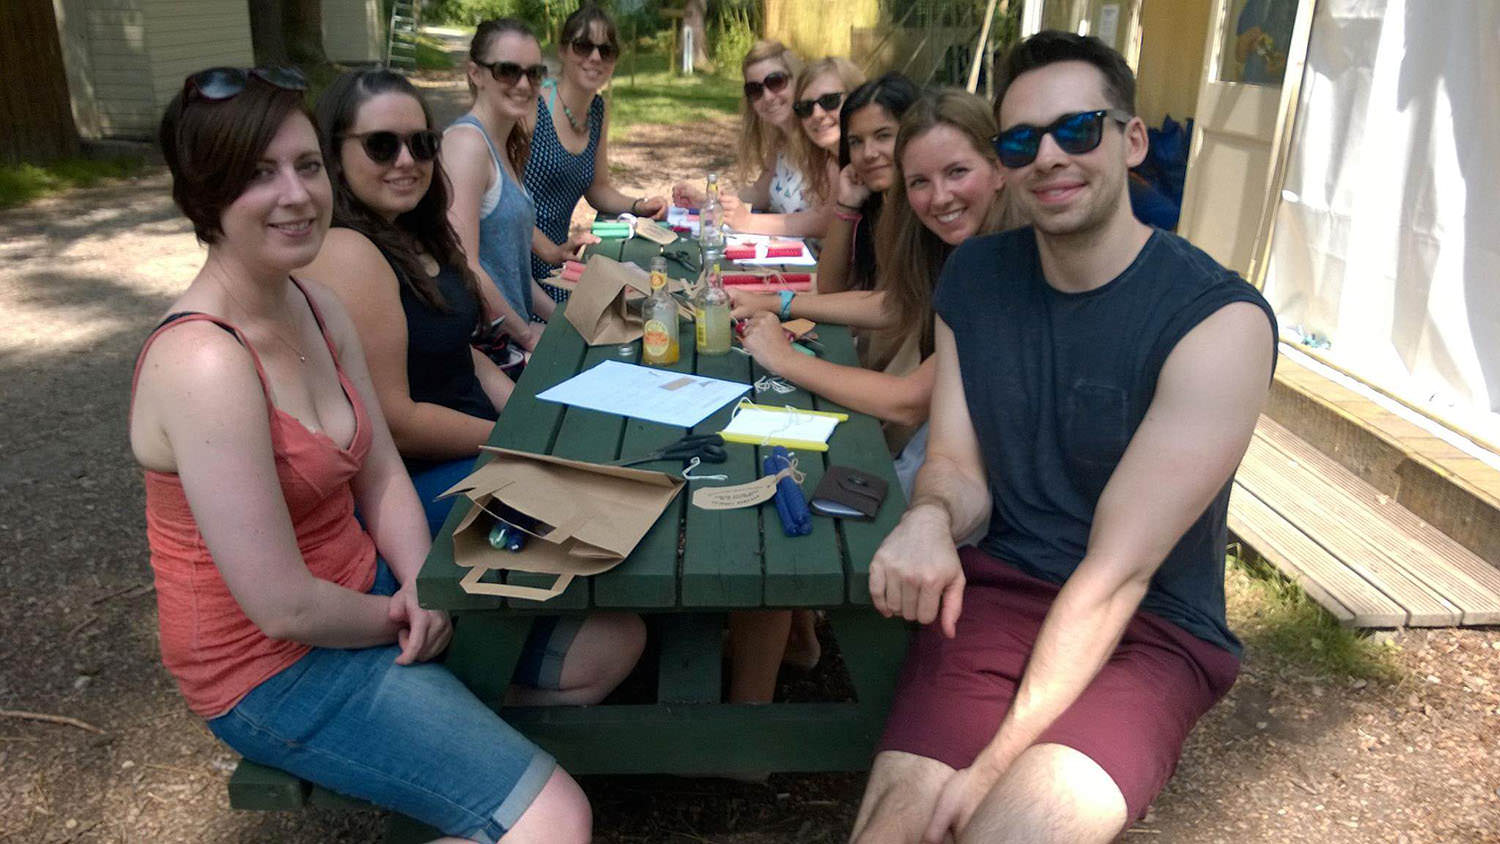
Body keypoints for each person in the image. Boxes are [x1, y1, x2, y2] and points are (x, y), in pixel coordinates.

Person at [133, 66, 644, 843]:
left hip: (370, 588)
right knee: (557, 821)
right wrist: (402, 614)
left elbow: (378, 475)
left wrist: (420, 582)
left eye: (305, 166)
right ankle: (488, 784)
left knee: (611, 644)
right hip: (274, 667)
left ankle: (454, 754)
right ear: (201, 199)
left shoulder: (315, 305)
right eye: (257, 175)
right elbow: (282, 606)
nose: (296, 194)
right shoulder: (203, 361)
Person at [850, 31, 1278, 844]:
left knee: (1004, 830)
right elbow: (953, 466)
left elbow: (1119, 575)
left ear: (1132, 139)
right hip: (1002, 591)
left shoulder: (1219, 323)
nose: (1049, 156)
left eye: (1077, 130)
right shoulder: (975, 279)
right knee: (892, 831)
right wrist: (930, 518)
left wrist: (994, 764)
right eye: (1021, 141)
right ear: (1006, 163)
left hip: (1152, 630)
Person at [732, 89, 1011, 494]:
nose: (940, 196)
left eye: (957, 172)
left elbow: (908, 400)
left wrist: (784, 358)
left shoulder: (1004, 260)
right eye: (920, 181)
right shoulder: (950, 243)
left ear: (999, 167)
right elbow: (899, 303)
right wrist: (777, 301)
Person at [299, 69, 509, 537]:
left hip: (477, 446)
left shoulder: (416, 230)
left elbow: (457, 351)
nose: (406, 160)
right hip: (413, 484)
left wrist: (525, 411)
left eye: (421, 144)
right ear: (334, 154)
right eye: (381, 145)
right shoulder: (348, 251)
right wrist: (517, 439)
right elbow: (397, 422)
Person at [527, 4, 667, 303]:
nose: (595, 57)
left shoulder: (598, 110)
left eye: (606, 50)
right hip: (520, 265)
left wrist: (639, 205)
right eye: (583, 46)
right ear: (563, 50)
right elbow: (504, 205)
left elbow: (598, 188)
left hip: (559, 262)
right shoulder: (533, 106)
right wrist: (549, 253)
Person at [445, 18, 555, 351]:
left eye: (534, 73)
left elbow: (512, 269)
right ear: (475, 73)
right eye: (508, 71)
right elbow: (466, 264)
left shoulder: (506, 145)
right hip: (488, 351)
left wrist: (563, 318)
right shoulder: (466, 144)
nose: (524, 84)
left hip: (513, 336)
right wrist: (524, 334)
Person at [719, 57, 866, 238]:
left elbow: (825, 222)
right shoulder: (832, 157)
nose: (817, 114)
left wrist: (749, 222)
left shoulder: (866, 160)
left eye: (830, 101)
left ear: (857, 98)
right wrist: (714, 201)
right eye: (805, 108)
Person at [817, 72, 919, 293]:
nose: (868, 153)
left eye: (883, 136)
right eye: (856, 142)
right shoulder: (878, 205)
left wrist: (781, 303)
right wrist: (846, 204)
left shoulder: (927, 208)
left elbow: (893, 306)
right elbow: (829, 288)